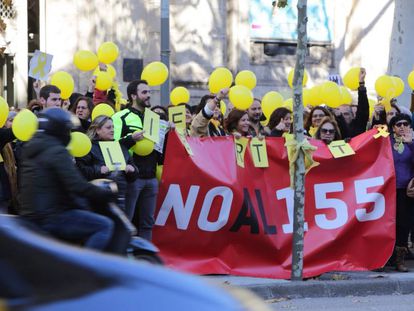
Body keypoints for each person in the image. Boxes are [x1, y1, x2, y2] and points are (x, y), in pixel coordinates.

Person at [18, 108, 115, 251]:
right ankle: (85, 271)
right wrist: (103, 193)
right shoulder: (57, 151)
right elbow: (76, 185)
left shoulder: (32, 148)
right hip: (53, 216)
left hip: (32, 215)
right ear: (60, 129)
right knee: (104, 225)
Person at [112, 79, 159, 241]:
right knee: (127, 222)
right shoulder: (120, 116)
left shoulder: (153, 117)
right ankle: (122, 260)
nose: (148, 95)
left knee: (147, 223)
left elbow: (156, 147)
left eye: (149, 92)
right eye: (144, 92)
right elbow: (113, 144)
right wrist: (131, 138)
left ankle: (144, 261)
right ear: (133, 96)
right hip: (132, 178)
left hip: (151, 177)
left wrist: (169, 131)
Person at [76, 115, 139, 212]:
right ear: (97, 130)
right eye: (108, 127)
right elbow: (80, 171)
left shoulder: (120, 147)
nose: (112, 130)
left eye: (113, 127)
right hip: (98, 199)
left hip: (122, 198)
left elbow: (134, 175)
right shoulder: (89, 147)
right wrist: (98, 170)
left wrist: (132, 170)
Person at [388, 113, 414, 272]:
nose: (402, 127)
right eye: (398, 124)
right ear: (393, 128)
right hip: (387, 189)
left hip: (407, 191)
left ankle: (400, 259)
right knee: (388, 224)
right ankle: (385, 257)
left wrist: (410, 144)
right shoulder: (385, 142)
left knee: (403, 225)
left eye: (406, 124)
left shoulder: (412, 143)